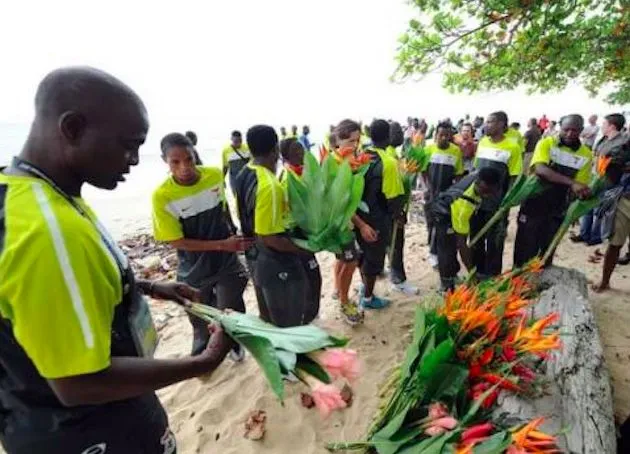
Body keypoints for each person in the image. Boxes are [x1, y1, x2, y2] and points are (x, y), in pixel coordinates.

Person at [0, 67, 234, 454]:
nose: (135, 160)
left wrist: (147, 286)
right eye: (128, 145)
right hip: (90, 430)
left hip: (36, 419)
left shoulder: (27, 194)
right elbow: (78, 382)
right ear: (72, 128)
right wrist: (202, 363)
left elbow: (40, 295)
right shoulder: (48, 231)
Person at [152, 133, 253, 359]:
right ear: (165, 161)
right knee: (198, 315)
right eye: (175, 162)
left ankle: (234, 345)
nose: (184, 167)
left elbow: (224, 208)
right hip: (194, 266)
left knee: (231, 308)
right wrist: (222, 245)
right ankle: (202, 349)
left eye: (188, 159)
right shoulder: (162, 196)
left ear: (194, 154)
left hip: (226, 261)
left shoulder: (214, 175)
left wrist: (233, 232)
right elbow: (176, 241)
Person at [232, 125, 319, 327]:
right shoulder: (270, 186)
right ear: (276, 150)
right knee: (288, 325)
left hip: (255, 259)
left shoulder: (244, 173)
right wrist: (304, 249)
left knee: (270, 320)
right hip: (276, 264)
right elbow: (270, 238)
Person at [513, 115, 593, 267]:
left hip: (558, 208)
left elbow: (580, 184)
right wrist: (572, 183)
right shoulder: (546, 143)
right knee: (524, 248)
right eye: (566, 130)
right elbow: (540, 169)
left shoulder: (586, 154)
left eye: (574, 130)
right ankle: (517, 285)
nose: (570, 134)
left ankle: (538, 284)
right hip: (533, 203)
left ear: (581, 131)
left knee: (546, 251)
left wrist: (582, 196)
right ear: (560, 128)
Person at [356, 119, 406, 309]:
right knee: (375, 259)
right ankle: (368, 298)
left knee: (363, 253)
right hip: (378, 217)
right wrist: (397, 215)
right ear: (388, 137)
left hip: (359, 216)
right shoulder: (389, 162)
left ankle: (363, 288)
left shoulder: (361, 156)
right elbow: (393, 198)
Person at [331, 119, 375, 325]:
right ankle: (344, 302)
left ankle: (338, 290)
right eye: (349, 141)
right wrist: (362, 225)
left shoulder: (347, 160)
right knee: (351, 260)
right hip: (341, 224)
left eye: (357, 141)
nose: (354, 146)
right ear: (338, 140)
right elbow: (342, 204)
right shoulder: (336, 164)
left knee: (343, 258)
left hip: (343, 222)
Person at [430, 168, 501, 290]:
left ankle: (453, 274)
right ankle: (446, 284)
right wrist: (471, 273)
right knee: (447, 249)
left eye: (490, 192)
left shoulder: (477, 176)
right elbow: (462, 244)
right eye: (484, 191)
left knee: (452, 246)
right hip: (443, 212)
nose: (486, 195)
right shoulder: (464, 204)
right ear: (478, 183)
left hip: (452, 206)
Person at [471, 111, 522, 277]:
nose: (486, 125)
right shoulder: (483, 142)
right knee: (476, 238)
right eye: (486, 121)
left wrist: (507, 201)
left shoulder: (512, 147)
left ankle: (492, 275)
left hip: (497, 203)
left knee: (495, 241)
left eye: (490, 122)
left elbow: (514, 177)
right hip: (477, 200)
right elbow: (476, 170)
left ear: (501, 124)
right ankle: (477, 272)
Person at [278, 138, 322, 322]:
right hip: (295, 236)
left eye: (302, 149)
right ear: (285, 156)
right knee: (310, 279)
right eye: (296, 151)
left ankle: (311, 316)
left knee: (313, 278)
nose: (302, 153)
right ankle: (307, 318)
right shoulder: (286, 177)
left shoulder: (304, 172)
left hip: (306, 233)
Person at [574, 114, 629, 245]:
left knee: (600, 209)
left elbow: (621, 161)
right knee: (587, 206)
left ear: (612, 126)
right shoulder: (604, 139)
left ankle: (595, 237)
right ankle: (584, 233)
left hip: (610, 180)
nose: (602, 127)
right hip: (595, 177)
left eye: (604, 124)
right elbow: (597, 154)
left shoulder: (623, 143)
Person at [423, 122, 465, 266]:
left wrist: (455, 193)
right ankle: (431, 251)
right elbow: (423, 171)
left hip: (446, 196)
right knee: (431, 224)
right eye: (441, 135)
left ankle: (437, 252)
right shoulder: (429, 149)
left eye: (447, 135)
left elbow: (458, 174)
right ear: (436, 135)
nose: (444, 138)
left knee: (442, 225)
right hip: (431, 194)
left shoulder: (456, 151)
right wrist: (426, 189)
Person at [387, 121, 418, 295]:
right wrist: (398, 212)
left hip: (389, 210)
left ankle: (392, 273)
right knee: (396, 244)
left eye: (400, 131)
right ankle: (398, 279)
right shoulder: (391, 158)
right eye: (396, 132)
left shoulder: (394, 155)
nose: (400, 134)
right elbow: (395, 189)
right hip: (392, 211)